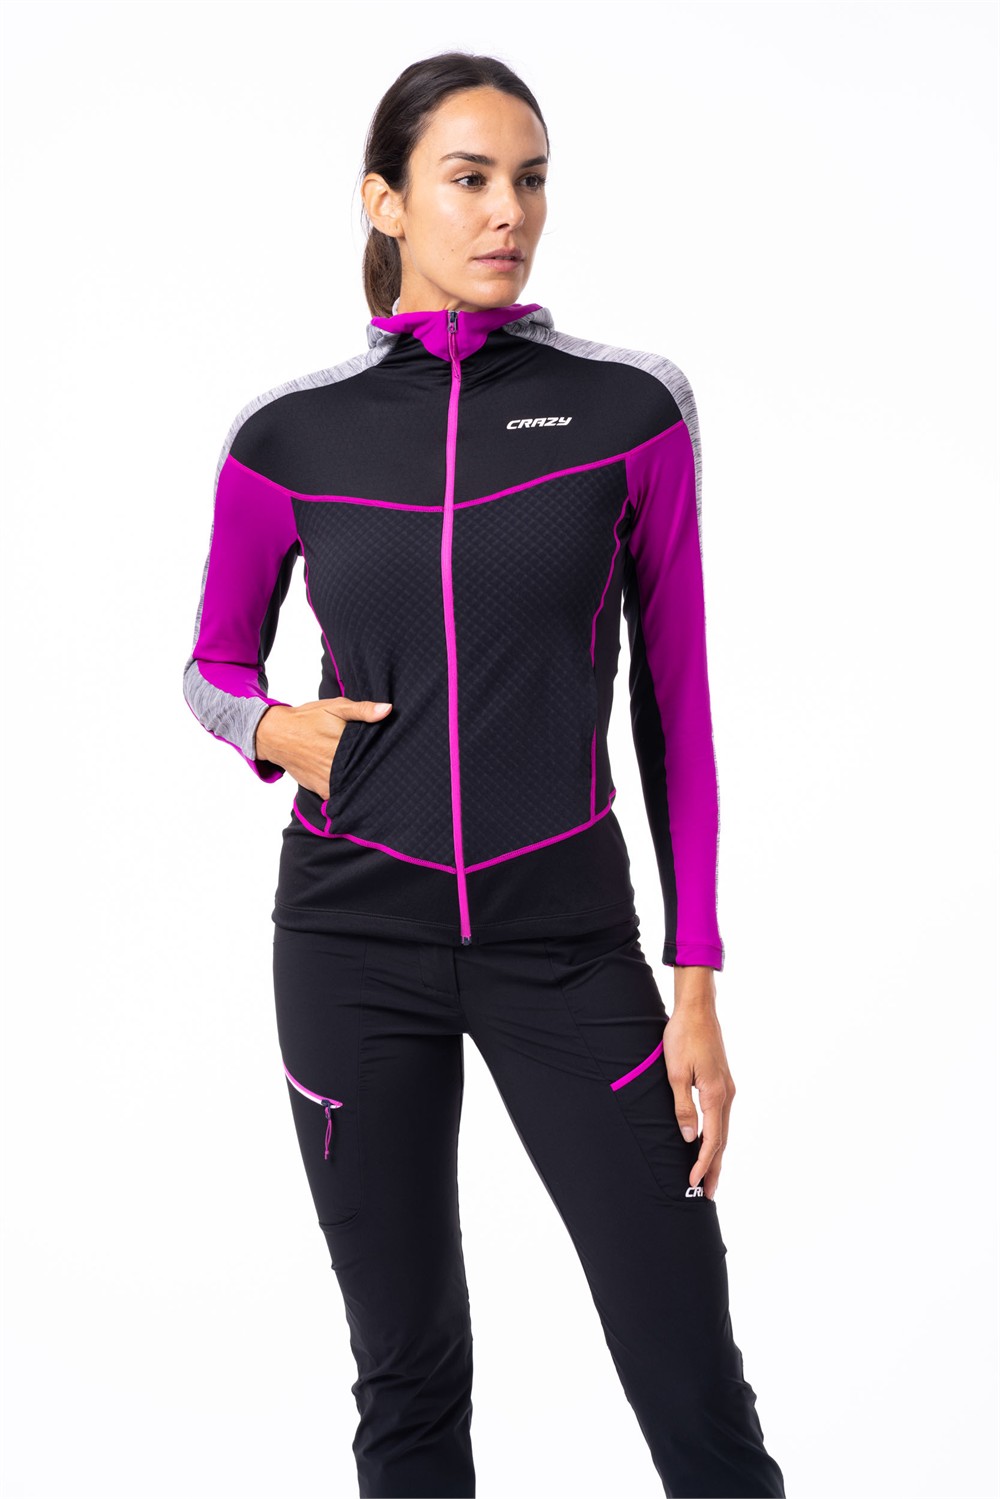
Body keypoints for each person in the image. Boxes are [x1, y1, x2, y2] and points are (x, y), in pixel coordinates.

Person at [182, 50, 787, 1499]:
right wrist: (269, 729)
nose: (508, 211)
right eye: (469, 179)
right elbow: (209, 665)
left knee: (689, 1375)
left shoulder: (630, 410)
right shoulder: (288, 433)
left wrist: (696, 984)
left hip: (564, 941)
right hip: (351, 937)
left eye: (530, 180)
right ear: (386, 200)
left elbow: (679, 706)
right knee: (406, 1382)